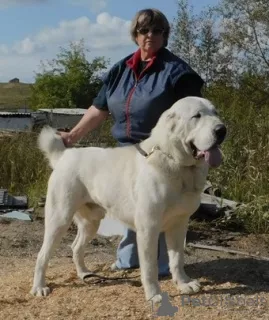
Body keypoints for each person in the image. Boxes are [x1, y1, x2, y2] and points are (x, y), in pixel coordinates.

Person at [59, 8, 204, 277]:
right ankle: (128, 262)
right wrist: (72, 136)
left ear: (165, 35)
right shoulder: (120, 70)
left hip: (163, 155)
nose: (150, 35)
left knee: (160, 212)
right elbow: (98, 109)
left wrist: (200, 149)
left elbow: (196, 117)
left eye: (157, 30)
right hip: (126, 152)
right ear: (135, 35)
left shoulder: (178, 73)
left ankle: (162, 268)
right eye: (144, 30)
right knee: (129, 207)